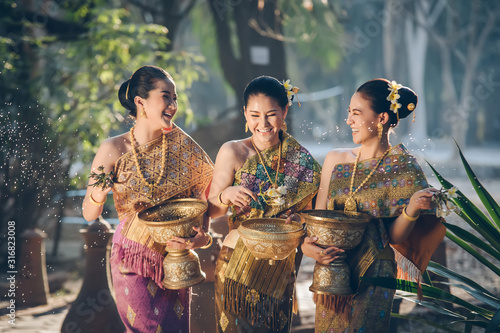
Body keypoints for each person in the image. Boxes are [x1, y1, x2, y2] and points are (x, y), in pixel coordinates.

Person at [302, 78, 446, 332]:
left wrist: (411, 208)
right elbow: (318, 219)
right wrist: (308, 247)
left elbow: (393, 236)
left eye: (356, 113)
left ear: (381, 118)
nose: (349, 121)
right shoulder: (335, 160)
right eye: (349, 113)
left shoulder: (403, 167)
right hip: (332, 268)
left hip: (376, 270)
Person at [82, 65, 214, 333]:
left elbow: (205, 201)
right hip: (133, 256)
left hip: (177, 259)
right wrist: (99, 193)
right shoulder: (113, 149)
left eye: (175, 98)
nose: (173, 105)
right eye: (166, 96)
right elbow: (89, 213)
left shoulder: (183, 146)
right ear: (141, 101)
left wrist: (203, 238)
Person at [208, 76, 322, 332]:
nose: (263, 123)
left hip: (279, 268)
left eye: (271, 114)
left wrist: (300, 222)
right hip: (237, 264)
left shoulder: (301, 159)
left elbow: (312, 216)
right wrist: (227, 194)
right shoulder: (233, 151)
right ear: (245, 115)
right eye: (254, 115)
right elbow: (213, 208)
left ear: (285, 111)